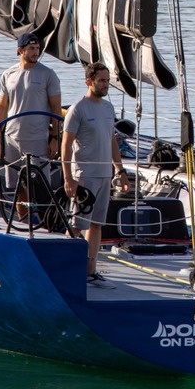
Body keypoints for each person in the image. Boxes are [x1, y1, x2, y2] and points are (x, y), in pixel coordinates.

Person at [61, 62, 131, 288]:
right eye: (101, 80)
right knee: (76, 224)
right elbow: (66, 145)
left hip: (104, 175)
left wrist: (119, 171)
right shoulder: (78, 109)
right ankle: (64, 267)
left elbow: (112, 140)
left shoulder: (108, 109)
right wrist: (68, 178)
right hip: (84, 176)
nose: (105, 84)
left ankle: (90, 270)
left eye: (107, 80)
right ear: (89, 82)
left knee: (97, 225)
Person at [0, 32, 62, 218]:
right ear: (20, 50)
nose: (35, 52)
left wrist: (55, 138)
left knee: (40, 185)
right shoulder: (8, 74)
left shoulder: (48, 75)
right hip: (11, 138)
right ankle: (23, 222)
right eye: (31, 48)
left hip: (37, 138)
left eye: (37, 48)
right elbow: (1, 107)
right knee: (17, 186)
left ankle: (44, 222)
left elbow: (56, 107)